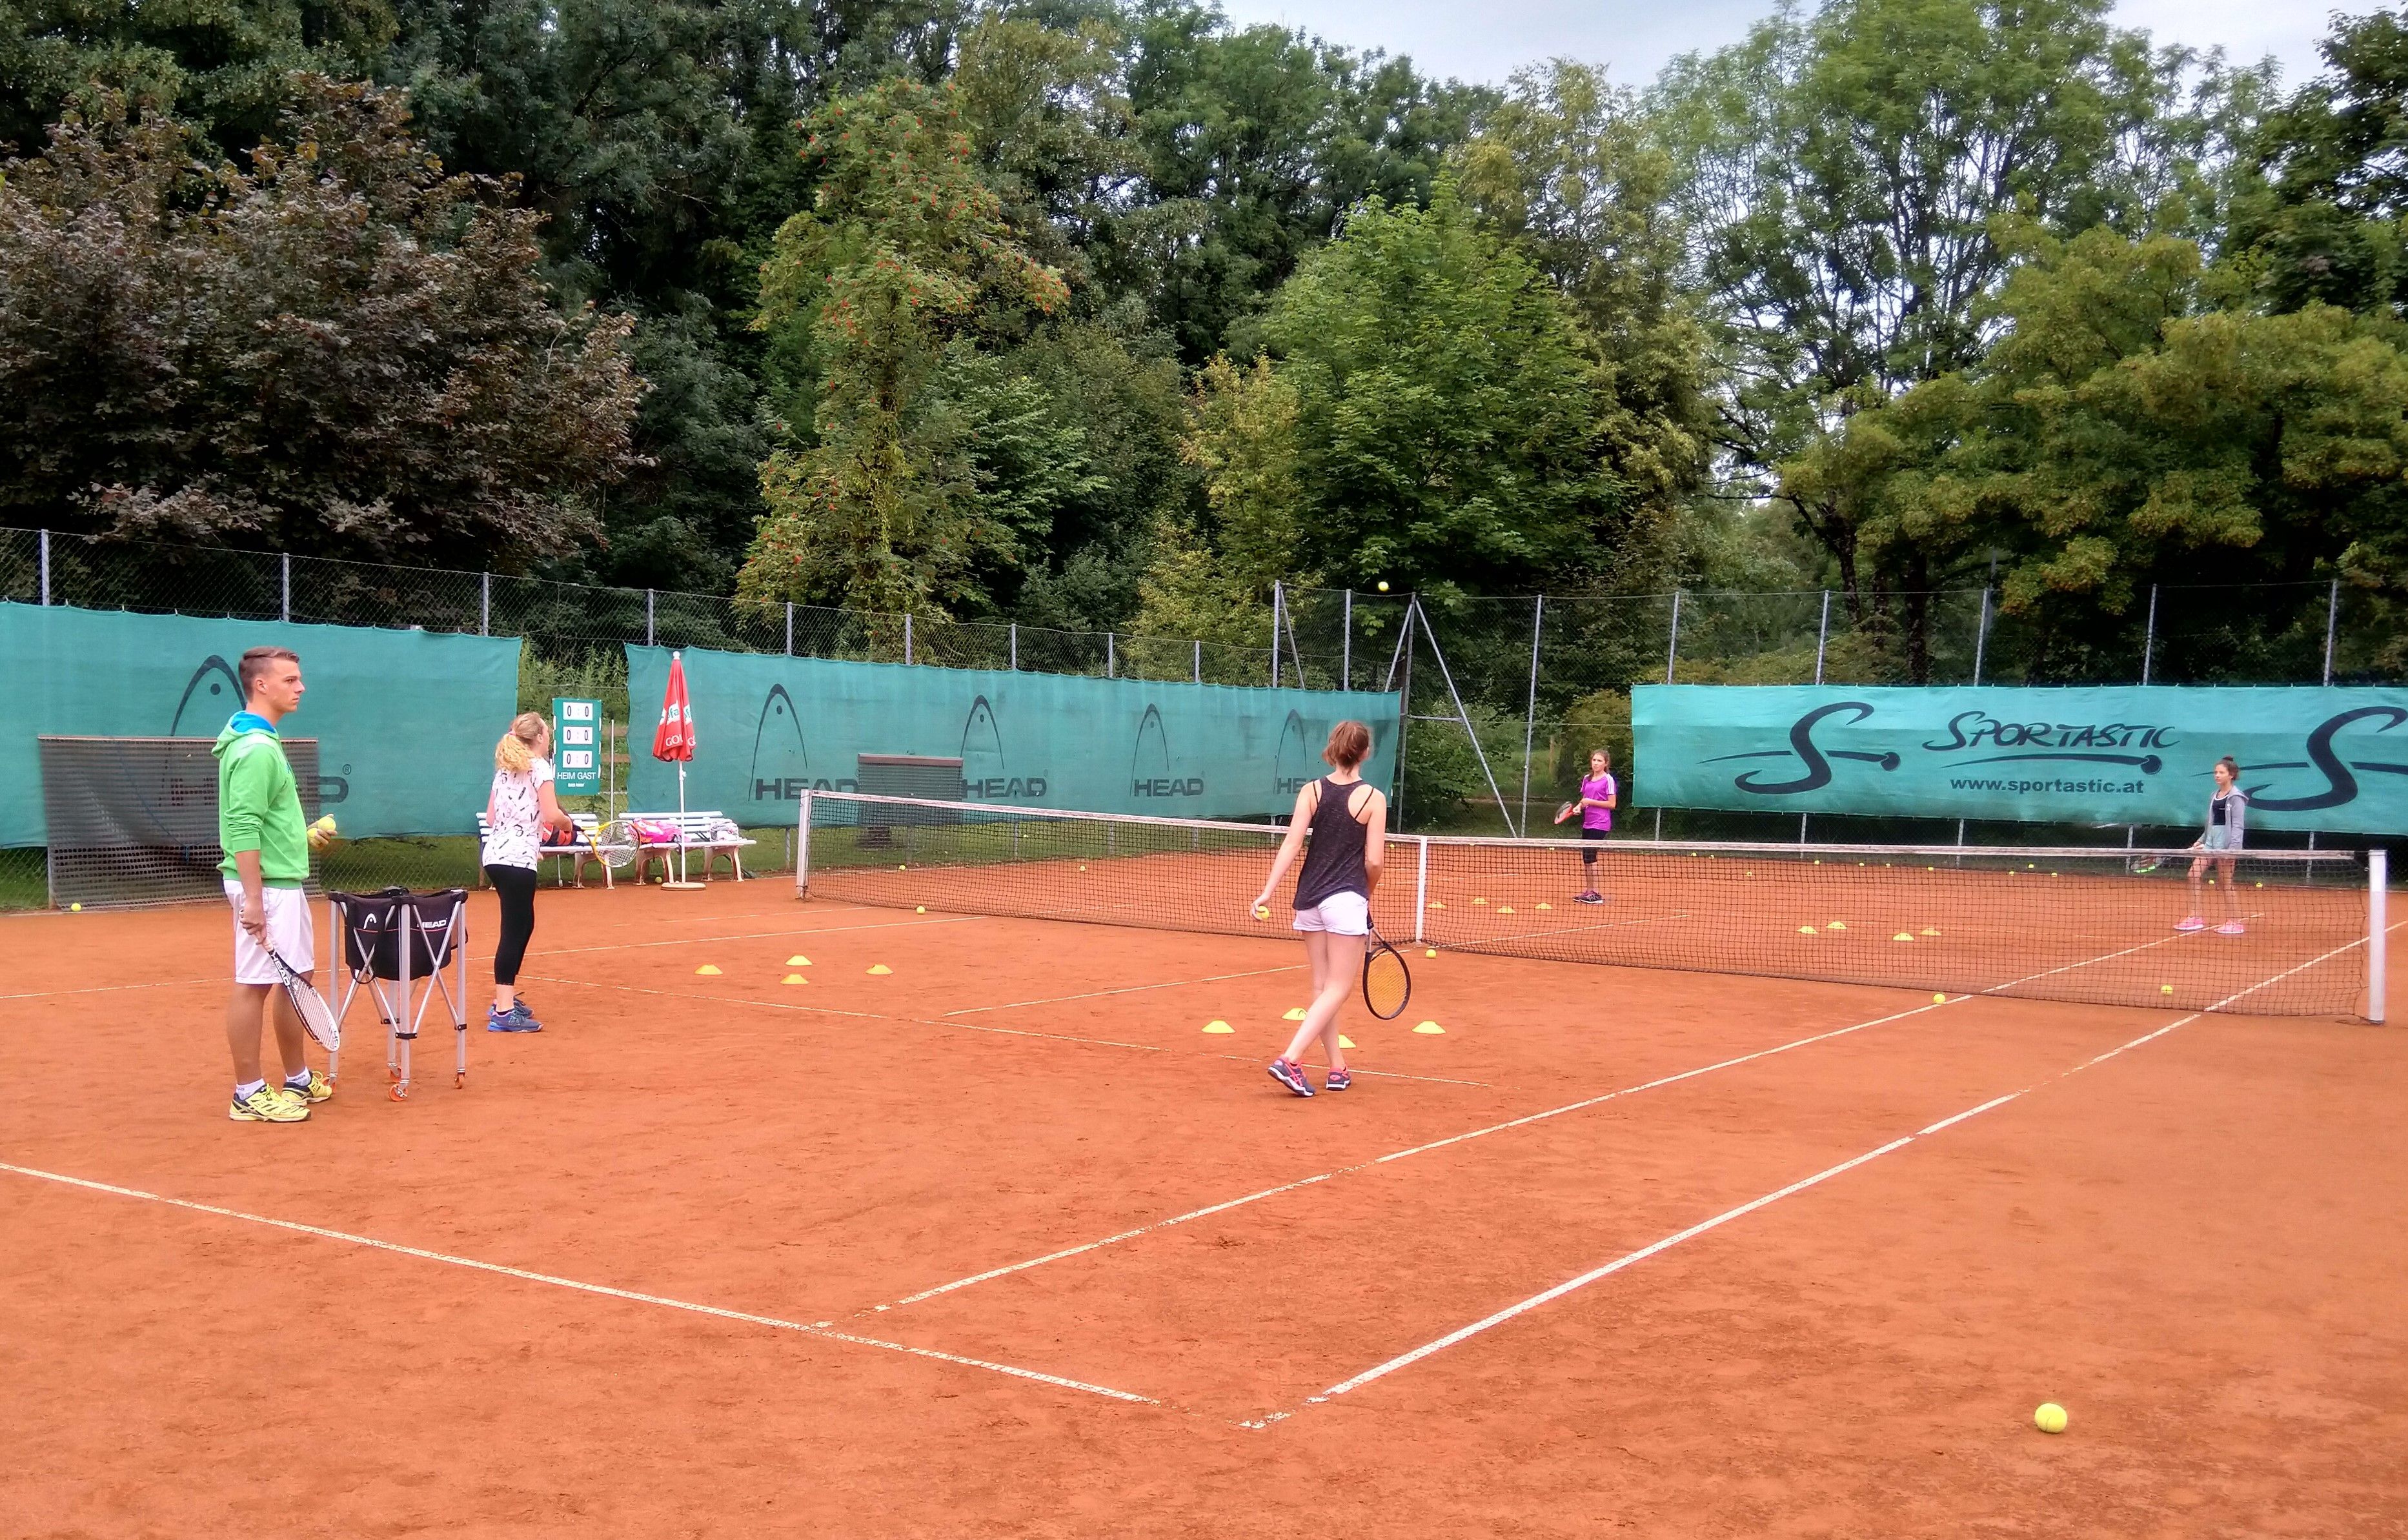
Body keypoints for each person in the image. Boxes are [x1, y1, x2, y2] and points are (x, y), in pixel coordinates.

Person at [217, 645, 332, 1122]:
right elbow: (242, 825)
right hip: (264, 888)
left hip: (278, 881)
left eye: (299, 679)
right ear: (261, 685)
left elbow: (263, 823)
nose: (300, 687)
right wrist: (253, 900)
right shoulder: (256, 749)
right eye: (290, 680)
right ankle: (247, 1093)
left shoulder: (263, 740)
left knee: (295, 979)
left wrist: (300, 839)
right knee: (255, 984)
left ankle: (297, 1078)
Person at [1250, 721, 1387, 1097]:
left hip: (1309, 898)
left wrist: (1267, 892)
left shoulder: (1311, 790)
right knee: (1338, 988)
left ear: (1333, 749)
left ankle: (1337, 1067)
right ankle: (1291, 1059)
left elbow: (1291, 844)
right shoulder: (1373, 798)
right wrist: (1365, 895)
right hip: (1345, 899)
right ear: (1365, 753)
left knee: (1322, 987)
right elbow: (1375, 861)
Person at [481, 712, 570, 1031]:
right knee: (514, 929)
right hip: (515, 859)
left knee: (523, 925)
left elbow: (492, 818)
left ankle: (504, 1000)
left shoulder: (505, 770)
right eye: (547, 733)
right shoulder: (541, 767)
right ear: (540, 737)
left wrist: (529, 841)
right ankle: (504, 1011)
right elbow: (551, 814)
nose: (549, 738)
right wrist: (567, 824)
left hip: (496, 856)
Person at [2176, 756, 2248, 937]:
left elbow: (2238, 826)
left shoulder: (2236, 798)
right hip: (2210, 843)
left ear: (2231, 775)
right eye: (2216, 772)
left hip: (2227, 845)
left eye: (2221, 772)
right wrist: (2202, 840)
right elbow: (2212, 823)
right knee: (2193, 875)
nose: (2217, 775)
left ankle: (2235, 922)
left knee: (2225, 883)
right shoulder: (2214, 796)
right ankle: (2196, 917)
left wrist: (2233, 850)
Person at [1553, 748, 1617, 903]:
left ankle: (1596, 894)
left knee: (1591, 855)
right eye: (1594, 760)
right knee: (1587, 858)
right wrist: (1579, 807)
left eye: (1599, 761)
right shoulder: (1587, 779)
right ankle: (1589, 891)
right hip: (1588, 822)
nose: (1596, 763)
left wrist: (1590, 802)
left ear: (1606, 763)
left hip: (1601, 823)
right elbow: (1585, 799)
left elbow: (1612, 804)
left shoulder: (1608, 780)